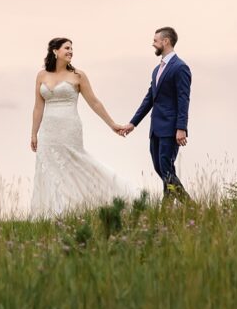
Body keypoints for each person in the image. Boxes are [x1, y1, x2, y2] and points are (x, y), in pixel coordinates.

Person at [29, 37, 133, 217]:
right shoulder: (41, 75)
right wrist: (34, 133)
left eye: (71, 49)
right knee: (47, 167)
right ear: (55, 51)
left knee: (74, 163)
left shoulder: (78, 75)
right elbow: (38, 107)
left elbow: (94, 102)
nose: (70, 51)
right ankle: (52, 213)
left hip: (69, 127)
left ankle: (112, 195)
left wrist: (112, 124)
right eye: (66, 48)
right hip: (47, 131)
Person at [118, 26, 191, 203]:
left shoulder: (180, 67)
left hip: (171, 128)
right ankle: (168, 212)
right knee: (161, 169)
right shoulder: (156, 70)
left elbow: (184, 99)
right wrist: (132, 123)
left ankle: (190, 207)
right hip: (156, 128)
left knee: (166, 169)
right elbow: (149, 99)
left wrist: (181, 127)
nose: (153, 44)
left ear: (166, 41)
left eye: (156, 40)